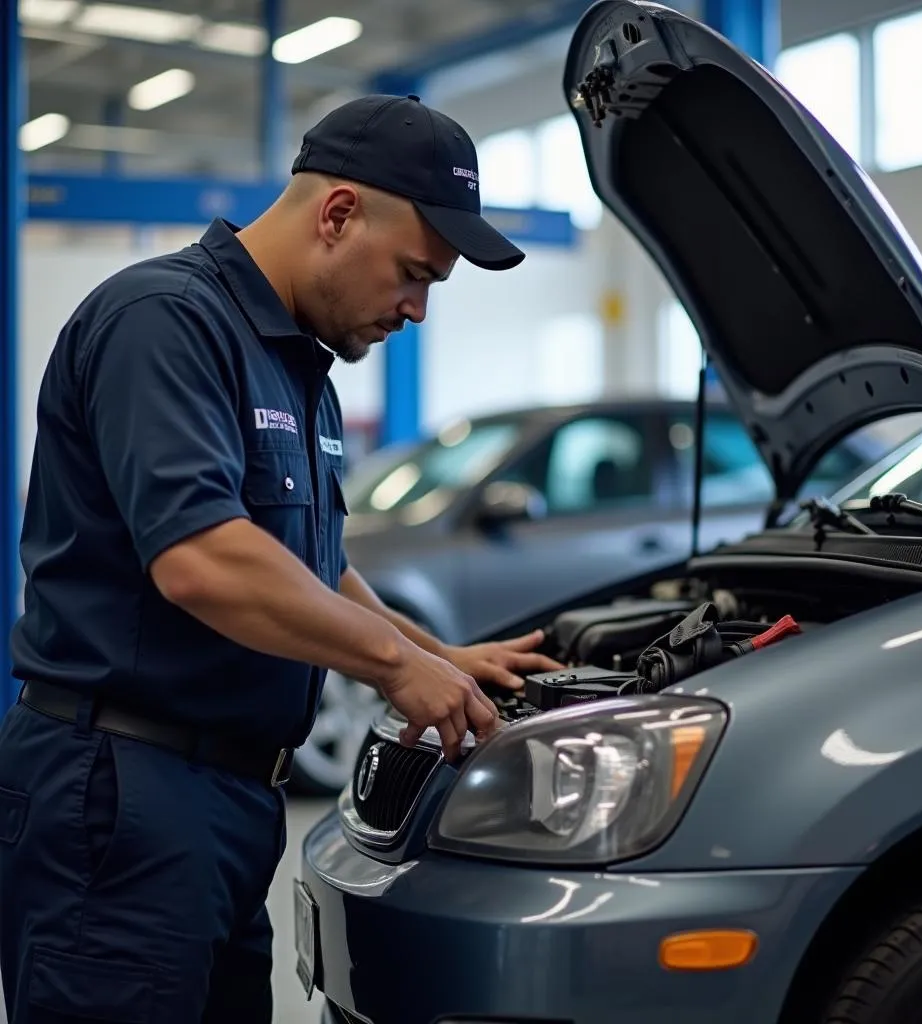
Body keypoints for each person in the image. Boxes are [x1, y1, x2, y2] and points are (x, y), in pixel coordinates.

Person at [0, 93, 562, 1023]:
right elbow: (204, 560)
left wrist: (432, 654)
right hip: (119, 799)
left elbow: (306, 559)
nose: (416, 309)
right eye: (413, 274)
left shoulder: (298, 365)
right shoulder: (165, 322)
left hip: (224, 804)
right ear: (338, 213)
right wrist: (391, 667)